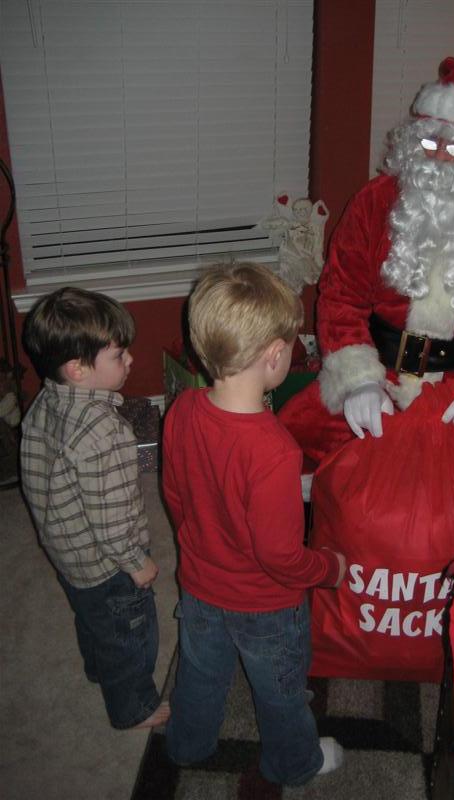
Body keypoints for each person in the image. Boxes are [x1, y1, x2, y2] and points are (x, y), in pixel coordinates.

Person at [280, 57, 454, 533]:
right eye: (429, 143)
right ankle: (303, 545)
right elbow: (340, 297)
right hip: (381, 368)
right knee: (295, 438)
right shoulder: (375, 201)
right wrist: (358, 381)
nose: (438, 159)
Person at [162, 262, 346, 785]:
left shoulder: (182, 409)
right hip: (266, 607)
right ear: (273, 357)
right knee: (281, 693)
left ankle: (187, 744)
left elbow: (175, 497)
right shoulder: (275, 450)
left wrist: (201, 540)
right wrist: (328, 568)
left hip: (200, 587)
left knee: (199, 676)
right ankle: (296, 763)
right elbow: (280, 556)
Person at [20, 287, 169, 730]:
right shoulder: (105, 433)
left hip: (68, 551)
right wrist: (135, 561)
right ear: (78, 369)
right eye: (119, 355)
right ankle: (134, 708)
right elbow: (112, 516)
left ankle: (97, 669)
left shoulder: (46, 400)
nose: (130, 361)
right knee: (130, 635)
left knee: (91, 618)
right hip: (108, 566)